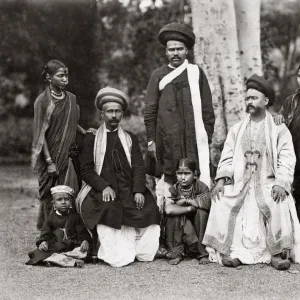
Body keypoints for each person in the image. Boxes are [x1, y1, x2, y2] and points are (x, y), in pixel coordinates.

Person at [203, 74, 300, 270]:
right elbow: (227, 156)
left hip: (268, 184)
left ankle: (276, 254)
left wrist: (281, 182)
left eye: (254, 98)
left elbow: (287, 159)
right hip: (240, 184)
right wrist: (221, 180)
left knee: (277, 200)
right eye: (247, 98)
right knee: (221, 199)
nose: (249, 102)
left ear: (265, 101)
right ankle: (236, 252)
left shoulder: (279, 130)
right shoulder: (237, 129)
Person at [76, 87, 161, 268]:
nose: (114, 115)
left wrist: (138, 190)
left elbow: (138, 167)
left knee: (148, 207)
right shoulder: (92, 138)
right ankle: (113, 251)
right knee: (108, 208)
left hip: (128, 187)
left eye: (117, 111)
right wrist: (103, 186)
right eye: (110, 111)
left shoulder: (130, 138)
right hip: (103, 189)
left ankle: (140, 249)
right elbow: (86, 169)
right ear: (102, 113)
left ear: (122, 113)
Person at [144, 22, 215, 206]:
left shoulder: (196, 73)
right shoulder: (158, 75)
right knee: (169, 183)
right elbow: (150, 109)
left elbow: (207, 108)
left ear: (186, 51)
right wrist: (151, 140)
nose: (175, 53)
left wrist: (205, 134)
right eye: (171, 49)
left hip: (193, 140)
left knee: (195, 178)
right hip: (166, 141)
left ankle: (198, 221)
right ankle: (169, 223)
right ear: (166, 52)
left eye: (179, 49)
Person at [32, 59, 89, 230]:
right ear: (49, 77)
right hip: (49, 155)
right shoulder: (42, 102)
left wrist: (86, 133)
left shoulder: (71, 99)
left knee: (66, 192)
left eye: (66, 75)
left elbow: (70, 123)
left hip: (67, 154)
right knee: (50, 194)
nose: (65, 79)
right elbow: (40, 134)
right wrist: (49, 162)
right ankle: (49, 232)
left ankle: (67, 231)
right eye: (60, 75)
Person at [26, 185, 90, 267]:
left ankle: (55, 260)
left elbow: (83, 232)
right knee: (38, 252)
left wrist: (85, 241)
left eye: (66, 199)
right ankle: (72, 262)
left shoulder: (76, 217)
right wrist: (43, 242)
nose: (63, 202)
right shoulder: (50, 219)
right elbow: (45, 234)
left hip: (72, 246)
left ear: (71, 202)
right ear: (54, 203)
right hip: (56, 246)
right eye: (59, 199)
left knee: (85, 251)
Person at [164, 158, 211, 265]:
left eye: (187, 173)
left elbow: (207, 203)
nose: (183, 177)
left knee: (202, 212)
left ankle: (202, 252)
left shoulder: (201, 187)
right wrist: (189, 207)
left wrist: (186, 202)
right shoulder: (174, 189)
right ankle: (176, 252)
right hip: (182, 229)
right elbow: (168, 209)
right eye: (180, 173)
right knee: (173, 216)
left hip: (197, 228)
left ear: (194, 174)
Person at [274, 65, 300, 219]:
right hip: (295, 161)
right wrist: (278, 119)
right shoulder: (291, 101)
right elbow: (281, 123)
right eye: (299, 75)